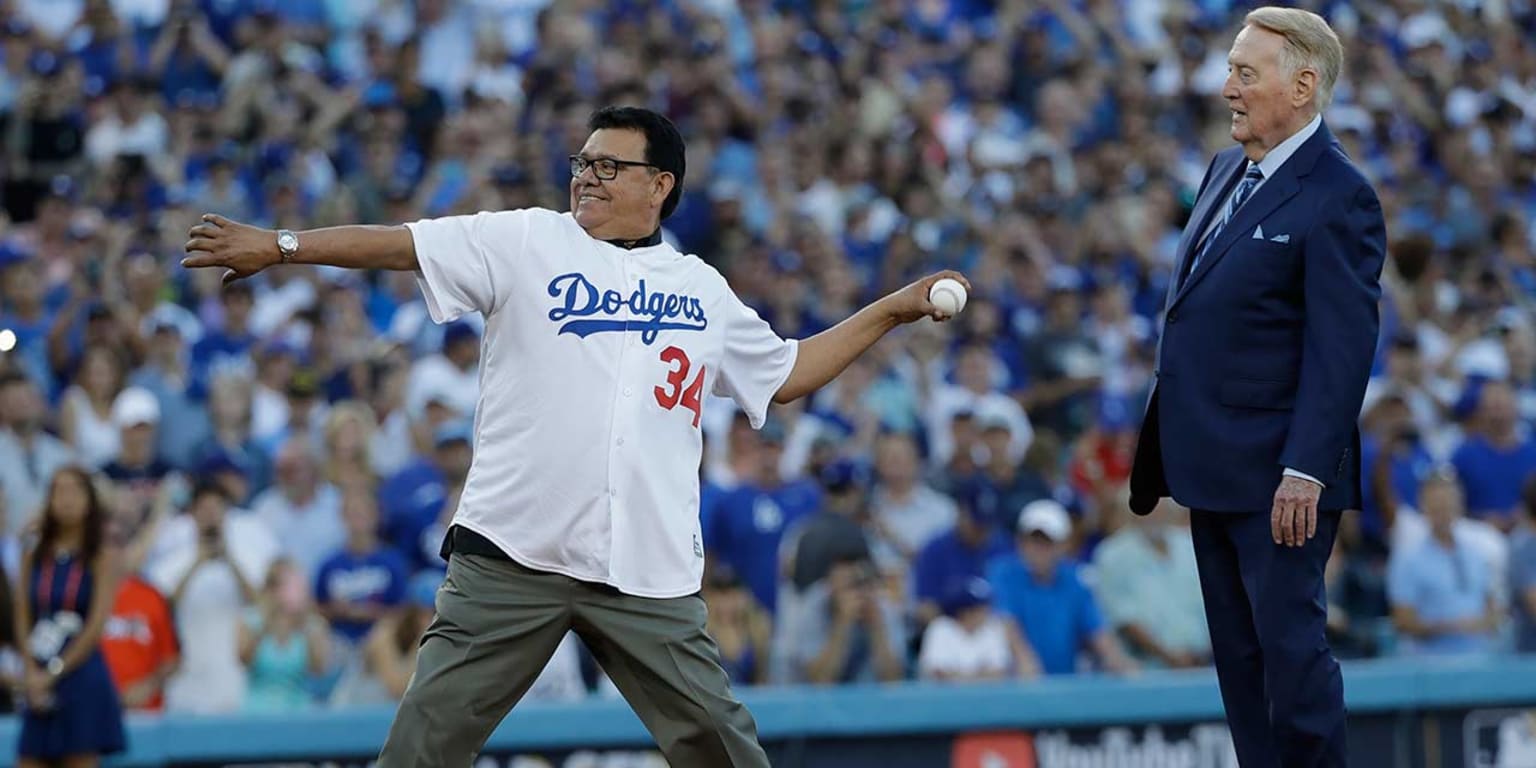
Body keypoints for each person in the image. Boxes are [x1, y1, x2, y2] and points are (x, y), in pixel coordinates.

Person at [182, 105, 968, 767]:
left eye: (608, 166)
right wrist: (284, 246)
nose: (585, 176)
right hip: (512, 555)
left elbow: (788, 373)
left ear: (659, 185)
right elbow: (401, 243)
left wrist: (892, 310)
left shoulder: (698, 287)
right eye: (581, 163)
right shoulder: (527, 239)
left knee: (727, 753)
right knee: (421, 751)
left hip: (645, 571)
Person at [1127, 8, 1386, 767]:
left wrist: (1305, 470)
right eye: (1230, 70)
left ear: (1303, 86)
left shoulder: (1340, 194)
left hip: (1282, 480)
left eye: (1245, 72)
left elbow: (1343, 350)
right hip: (1213, 470)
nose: (1227, 88)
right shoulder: (1222, 171)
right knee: (1243, 674)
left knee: (1292, 668)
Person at [13, 467, 126, 767]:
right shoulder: (34, 550)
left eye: (75, 490)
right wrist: (31, 672)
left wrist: (55, 672)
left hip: (81, 672)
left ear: (90, 499)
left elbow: (96, 624)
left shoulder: (102, 553)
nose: (66, 499)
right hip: (39, 670)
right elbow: (23, 613)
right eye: (59, 491)